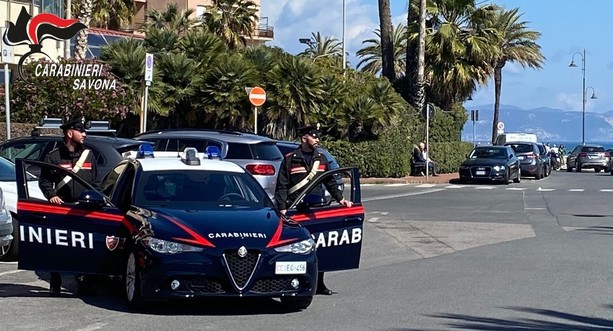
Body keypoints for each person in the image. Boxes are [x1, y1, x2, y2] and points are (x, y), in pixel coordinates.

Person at [274, 126, 353, 295]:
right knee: (295, 247)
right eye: (313, 136)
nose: (317, 139)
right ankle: (292, 282)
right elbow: (282, 186)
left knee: (320, 246)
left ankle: (319, 284)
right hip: (296, 209)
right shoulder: (290, 159)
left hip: (317, 209)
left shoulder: (321, 158)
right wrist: (282, 208)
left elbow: (330, 182)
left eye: (317, 137)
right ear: (304, 138)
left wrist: (341, 199)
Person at [38, 118, 99, 296]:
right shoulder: (53, 156)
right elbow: (45, 181)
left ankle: (83, 282)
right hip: (62, 209)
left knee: (84, 247)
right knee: (58, 246)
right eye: (81, 131)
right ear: (70, 133)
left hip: (83, 208)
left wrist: (96, 200)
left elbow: (96, 182)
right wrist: (52, 195)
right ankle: (55, 282)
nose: (85, 134)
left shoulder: (89, 155)